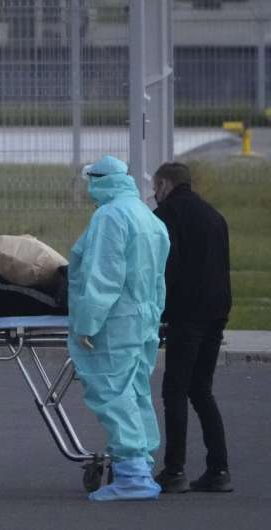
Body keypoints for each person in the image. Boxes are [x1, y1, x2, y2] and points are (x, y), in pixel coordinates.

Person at [67, 155, 170, 501]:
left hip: (115, 322)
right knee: (135, 391)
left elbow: (103, 276)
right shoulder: (147, 216)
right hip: (143, 320)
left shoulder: (110, 217)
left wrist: (85, 323)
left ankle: (132, 478)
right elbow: (158, 279)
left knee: (113, 393)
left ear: (99, 181)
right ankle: (139, 464)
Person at [151, 162, 233, 494]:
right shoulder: (215, 216)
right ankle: (219, 469)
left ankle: (175, 470)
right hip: (217, 311)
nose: (153, 194)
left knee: (174, 391)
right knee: (201, 389)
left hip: (186, 314)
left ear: (166, 184)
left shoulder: (166, 217)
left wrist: (160, 313)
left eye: (156, 187)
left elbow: (166, 270)